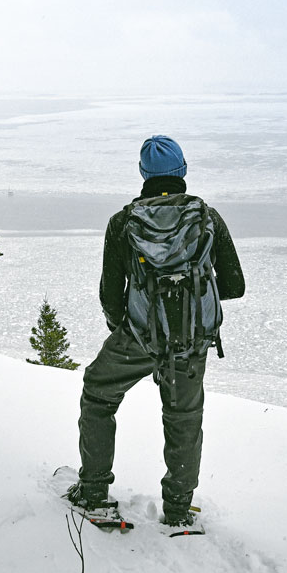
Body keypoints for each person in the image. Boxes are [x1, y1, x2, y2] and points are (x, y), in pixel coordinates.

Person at [67, 134, 245, 529]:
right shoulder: (207, 218)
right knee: (183, 417)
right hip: (191, 342)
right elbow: (234, 286)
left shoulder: (123, 222)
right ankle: (179, 511)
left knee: (98, 394)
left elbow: (111, 295)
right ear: (182, 171)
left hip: (139, 336)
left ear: (143, 174)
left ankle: (94, 493)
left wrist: (131, 332)